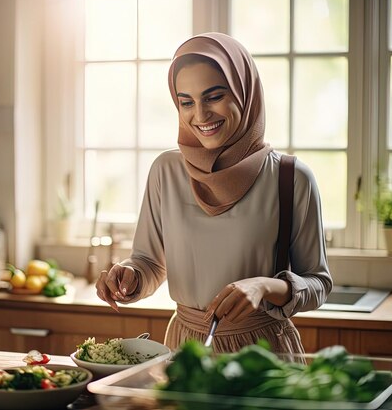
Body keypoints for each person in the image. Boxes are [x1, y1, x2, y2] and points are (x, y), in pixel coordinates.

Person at [95, 32, 332, 355]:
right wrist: (130, 277)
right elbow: (149, 263)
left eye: (214, 96)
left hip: (264, 354)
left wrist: (263, 286)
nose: (201, 115)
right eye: (186, 102)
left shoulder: (291, 177)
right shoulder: (166, 170)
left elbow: (318, 283)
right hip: (185, 350)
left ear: (244, 93)